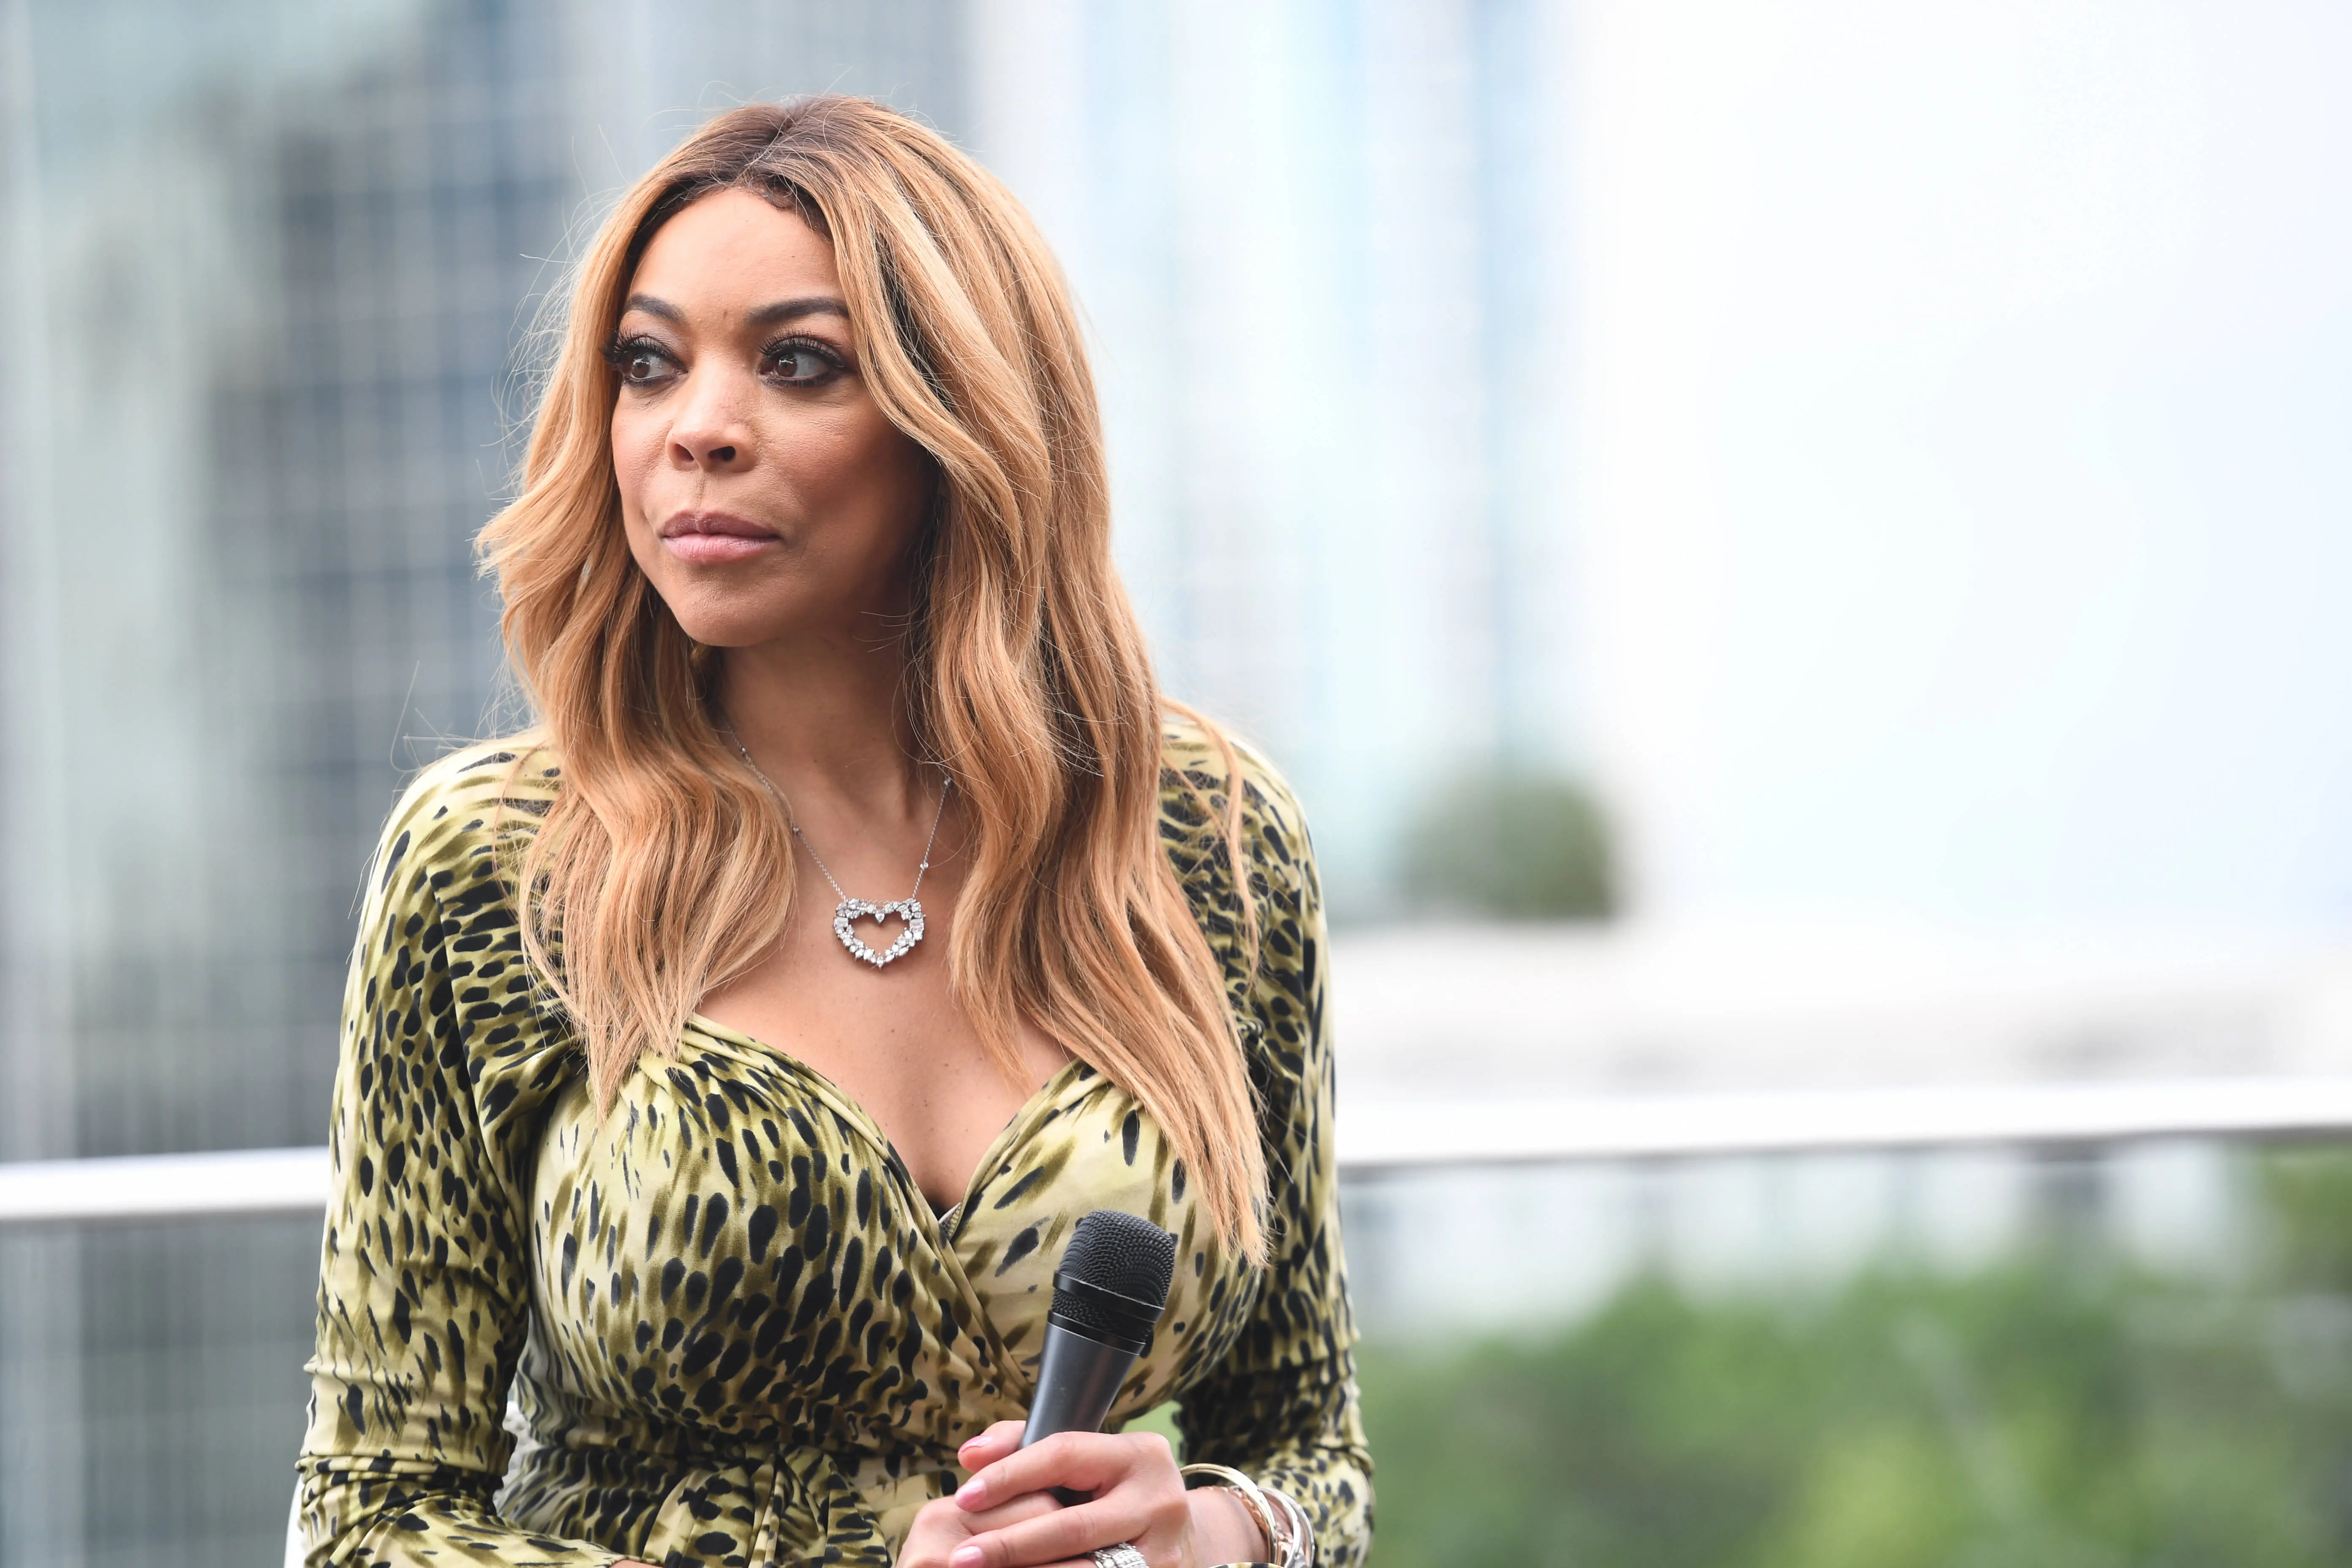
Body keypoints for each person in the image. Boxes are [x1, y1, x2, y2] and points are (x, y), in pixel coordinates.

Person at [295, 96, 1371, 1568]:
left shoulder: (1205, 843)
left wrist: (1212, 1536)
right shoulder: (501, 866)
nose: (699, 431)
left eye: (796, 365)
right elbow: (366, 1522)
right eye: (648, 366)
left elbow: (1310, 1438)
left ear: (965, 425)